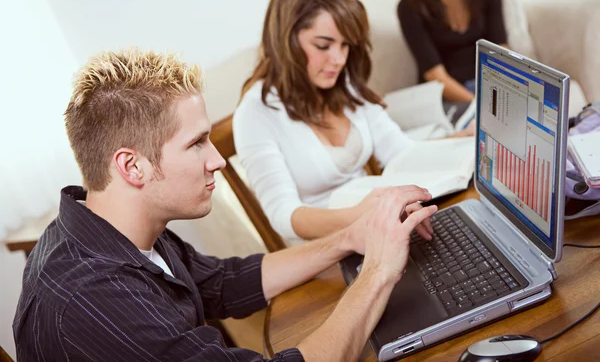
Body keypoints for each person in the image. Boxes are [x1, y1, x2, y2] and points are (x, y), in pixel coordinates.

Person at [12, 48, 437, 361]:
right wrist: (379, 272)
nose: (217, 160)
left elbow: (225, 282)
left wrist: (349, 237)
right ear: (132, 166)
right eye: (197, 143)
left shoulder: (111, 224)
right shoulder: (96, 299)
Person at [234, 0, 469, 246]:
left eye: (345, 45)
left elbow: (400, 151)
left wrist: (461, 141)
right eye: (323, 45)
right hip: (324, 250)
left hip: (379, 228)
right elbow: (284, 215)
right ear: (286, 40)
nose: (338, 59)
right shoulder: (255, 113)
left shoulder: (343, 85)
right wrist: (360, 216)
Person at [398, 0, 508, 123]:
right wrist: (479, 106)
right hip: (450, 95)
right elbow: (435, 75)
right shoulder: (408, 6)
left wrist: (501, 93)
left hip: (488, 84)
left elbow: (501, 51)